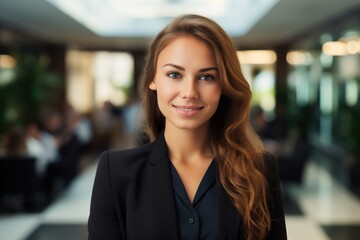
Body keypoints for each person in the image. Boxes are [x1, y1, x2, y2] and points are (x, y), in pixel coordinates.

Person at [88, 14, 287, 240]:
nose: (190, 92)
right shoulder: (115, 173)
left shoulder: (259, 169)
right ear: (153, 79)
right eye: (174, 74)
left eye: (206, 77)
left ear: (224, 85)